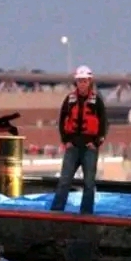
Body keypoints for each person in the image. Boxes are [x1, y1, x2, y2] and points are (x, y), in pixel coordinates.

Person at [49, 65, 108, 214]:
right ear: (76, 82)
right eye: (80, 81)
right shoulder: (69, 100)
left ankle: (86, 214)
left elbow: (104, 124)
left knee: (89, 183)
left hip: (89, 148)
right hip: (73, 147)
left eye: (85, 81)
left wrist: (96, 143)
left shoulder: (97, 101)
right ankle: (56, 213)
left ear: (89, 82)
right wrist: (66, 141)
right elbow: (62, 121)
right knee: (64, 181)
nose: (82, 84)